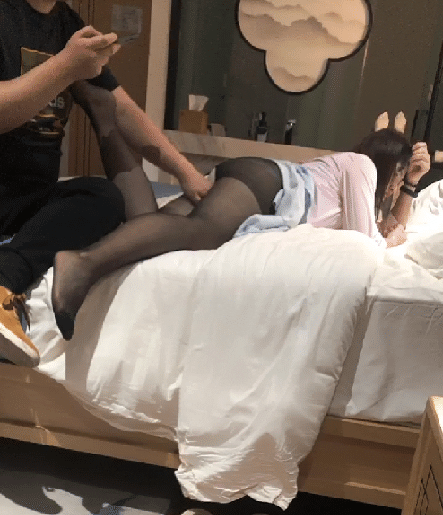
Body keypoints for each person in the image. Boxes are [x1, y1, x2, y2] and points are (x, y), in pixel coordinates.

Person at [51, 116, 431, 338]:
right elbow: (367, 239)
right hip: (269, 184)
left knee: (150, 224)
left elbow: (384, 225)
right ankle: (81, 264)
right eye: (399, 176)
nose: (396, 187)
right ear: (389, 166)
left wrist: (412, 185)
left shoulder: (350, 172)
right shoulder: (362, 165)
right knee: (205, 232)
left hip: (258, 178)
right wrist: (390, 239)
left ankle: (108, 127)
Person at [0, 0, 210, 367]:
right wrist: (65, 66)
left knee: (103, 196)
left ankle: (3, 279)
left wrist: (185, 172)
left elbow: (122, 109)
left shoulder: (66, 23)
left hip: (33, 198)